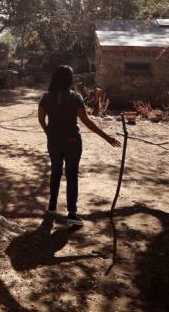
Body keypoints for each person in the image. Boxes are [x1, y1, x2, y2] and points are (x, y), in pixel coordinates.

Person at [38, 65, 120, 226]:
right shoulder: (75, 97)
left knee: (55, 172)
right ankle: (71, 214)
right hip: (72, 142)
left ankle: (52, 207)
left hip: (54, 142)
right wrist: (106, 137)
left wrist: (49, 134)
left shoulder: (46, 97)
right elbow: (86, 121)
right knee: (71, 176)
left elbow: (41, 119)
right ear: (69, 79)